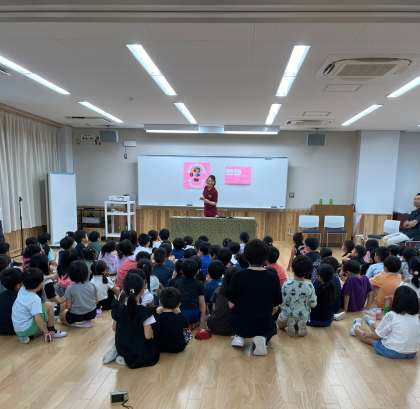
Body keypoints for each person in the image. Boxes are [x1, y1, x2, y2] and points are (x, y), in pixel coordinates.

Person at [228, 239, 282, 356]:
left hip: (241, 323)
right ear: (266, 258)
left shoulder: (237, 276)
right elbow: (277, 302)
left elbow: (231, 304)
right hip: (264, 324)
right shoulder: (273, 277)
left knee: (236, 311)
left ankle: (239, 336)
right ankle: (262, 338)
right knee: (274, 313)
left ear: (245, 257)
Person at [351, 286, 420, 359]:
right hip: (412, 353)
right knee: (381, 332)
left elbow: (377, 336)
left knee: (369, 338)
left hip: (392, 352)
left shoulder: (392, 315)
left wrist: (366, 335)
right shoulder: (416, 317)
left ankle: (356, 327)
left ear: (397, 300)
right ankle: (370, 323)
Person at [111, 273, 160, 368]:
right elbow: (148, 336)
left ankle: (122, 357)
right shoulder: (145, 312)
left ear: (124, 290)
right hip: (139, 352)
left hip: (122, 348)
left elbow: (114, 328)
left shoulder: (118, 308)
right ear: (142, 290)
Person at [12, 267, 67, 343]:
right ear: (39, 285)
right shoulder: (35, 298)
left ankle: (28, 336)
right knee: (49, 306)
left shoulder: (22, 289)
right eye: (42, 281)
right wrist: (45, 332)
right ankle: (52, 331)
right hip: (27, 329)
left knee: (42, 308)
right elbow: (38, 318)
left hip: (18, 329)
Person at [278, 255, 317, 337]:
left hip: (287, 314)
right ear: (308, 272)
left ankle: (290, 323)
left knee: (280, 325)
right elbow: (313, 304)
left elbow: (281, 300)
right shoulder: (310, 286)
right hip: (303, 316)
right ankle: (298, 325)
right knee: (301, 319)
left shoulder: (287, 284)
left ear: (292, 269)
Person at [60, 260, 98, 327]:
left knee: (62, 315)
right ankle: (84, 322)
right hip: (92, 314)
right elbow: (96, 301)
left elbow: (68, 306)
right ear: (86, 272)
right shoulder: (92, 285)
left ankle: (76, 324)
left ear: (71, 274)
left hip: (76, 316)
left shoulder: (70, 288)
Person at [153, 287, 190, 353]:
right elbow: (188, 336)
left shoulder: (155, 317)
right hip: (178, 348)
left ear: (160, 302)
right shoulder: (182, 318)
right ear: (179, 304)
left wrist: (157, 314)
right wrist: (180, 314)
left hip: (160, 348)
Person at [173, 259, 206, 328]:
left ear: (181, 271)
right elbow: (202, 305)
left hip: (180, 313)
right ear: (197, 271)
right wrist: (202, 325)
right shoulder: (199, 284)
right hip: (194, 314)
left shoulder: (177, 283)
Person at [207, 267, 236, 336]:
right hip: (231, 329)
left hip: (215, 327)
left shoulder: (218, 290)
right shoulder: (239, 292)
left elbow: (213, 309)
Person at [0, 267, 23, 335]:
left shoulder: (2, 295)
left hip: (2, 331)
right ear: (18, 285)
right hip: (16, 331)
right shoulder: (21, 298)